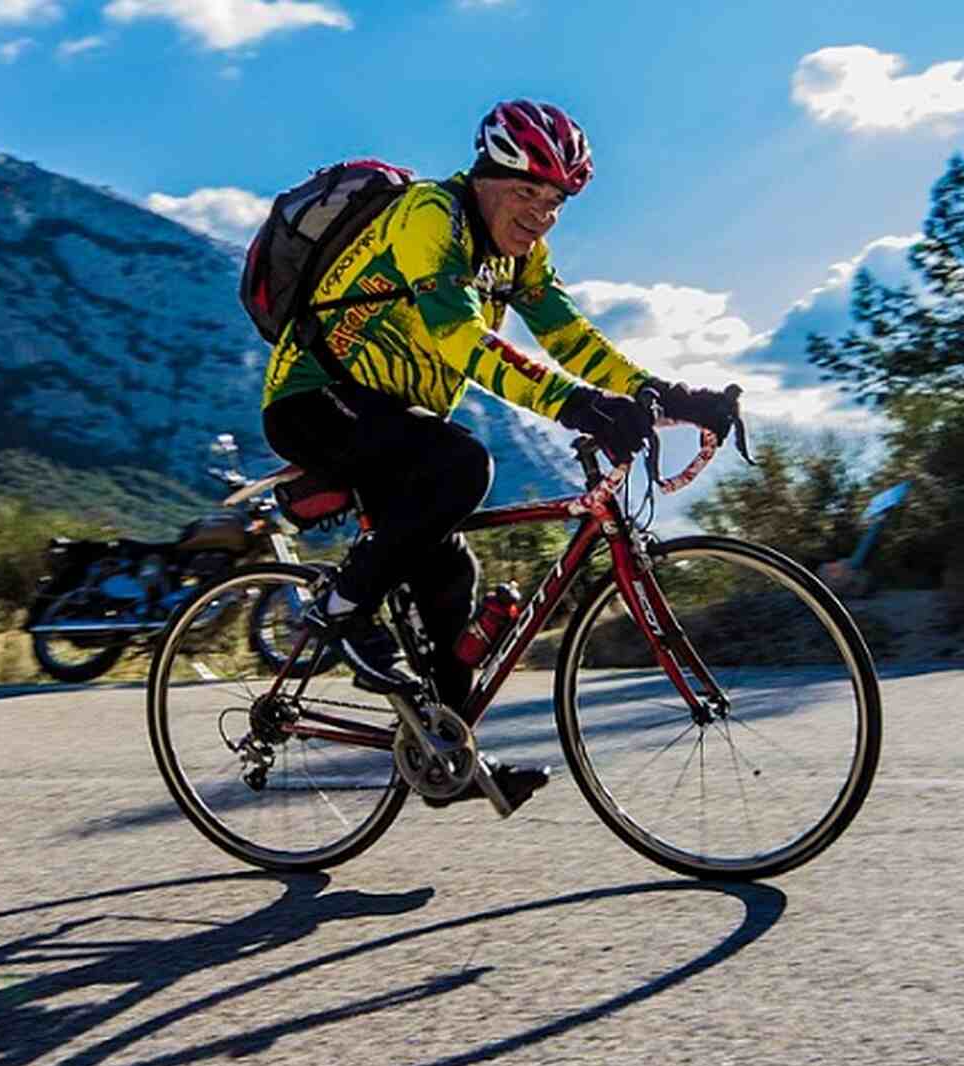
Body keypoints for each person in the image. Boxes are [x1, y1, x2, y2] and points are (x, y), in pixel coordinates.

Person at [260, 99, 734, 808]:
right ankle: (340, 609)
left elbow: (569, 336)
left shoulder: (520, 257)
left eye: (557, 201)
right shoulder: (429, 216)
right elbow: (461, 340)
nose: (542, 213)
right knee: (464, 464)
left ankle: (444, 754)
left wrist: (668, 394)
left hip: (395, 421)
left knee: (452, 577)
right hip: (313, 398)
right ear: (486, 175)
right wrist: (578, 406)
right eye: (528, 192)